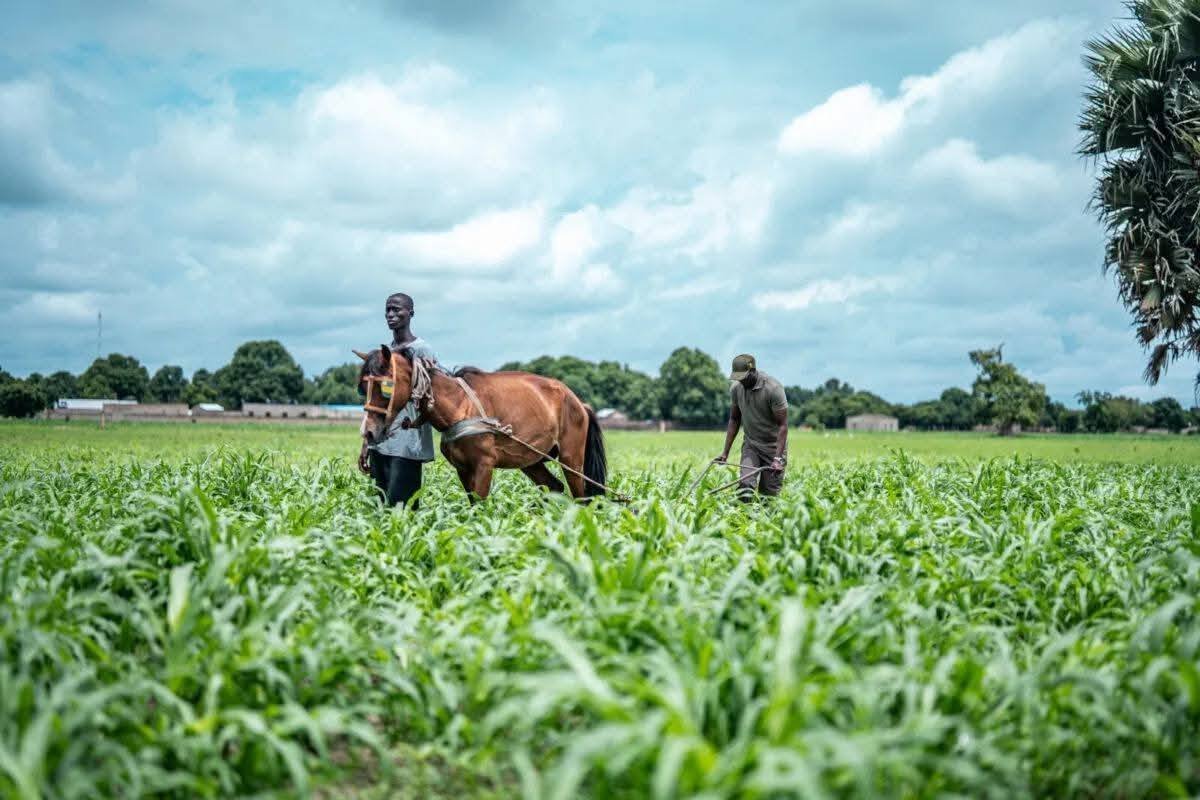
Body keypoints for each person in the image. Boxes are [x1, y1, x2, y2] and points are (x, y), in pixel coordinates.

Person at [358, 292, 438, 508]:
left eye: (396, 309)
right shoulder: (385, 353)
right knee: (380, 507)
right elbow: (376, 400)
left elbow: (432, 394)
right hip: (380, 443)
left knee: (403, 508)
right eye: (388, 310)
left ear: (410, 313)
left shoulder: (421, 349)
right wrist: (367, 444)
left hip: (407, 442)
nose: (391, 314)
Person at [715, 353, 788, 500]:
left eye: (743, 377)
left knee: (769, 496)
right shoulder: (736, 389)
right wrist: (725, 452)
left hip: (773, 448)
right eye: (738, 377)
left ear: (753, 371)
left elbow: (782, 426)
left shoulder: (773, 389)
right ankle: (742, 514)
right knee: (745, 486)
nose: (740, 381)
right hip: (751, 445)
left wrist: (778, 459)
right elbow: (734, 419)